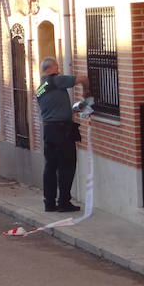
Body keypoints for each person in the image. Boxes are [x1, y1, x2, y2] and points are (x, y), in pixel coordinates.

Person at [37, 57, 89, 213]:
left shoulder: (40, 88)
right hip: (61, 130)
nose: (59, 70)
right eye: (57, 67)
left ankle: (49, 203)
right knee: (67, 165)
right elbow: (83, 78)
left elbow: (55, 108)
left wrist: (74, 109)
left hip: (48, 130)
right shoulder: (55, 80)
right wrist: (87, 92)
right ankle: (64, 202)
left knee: (50, 167)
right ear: (51, 69)